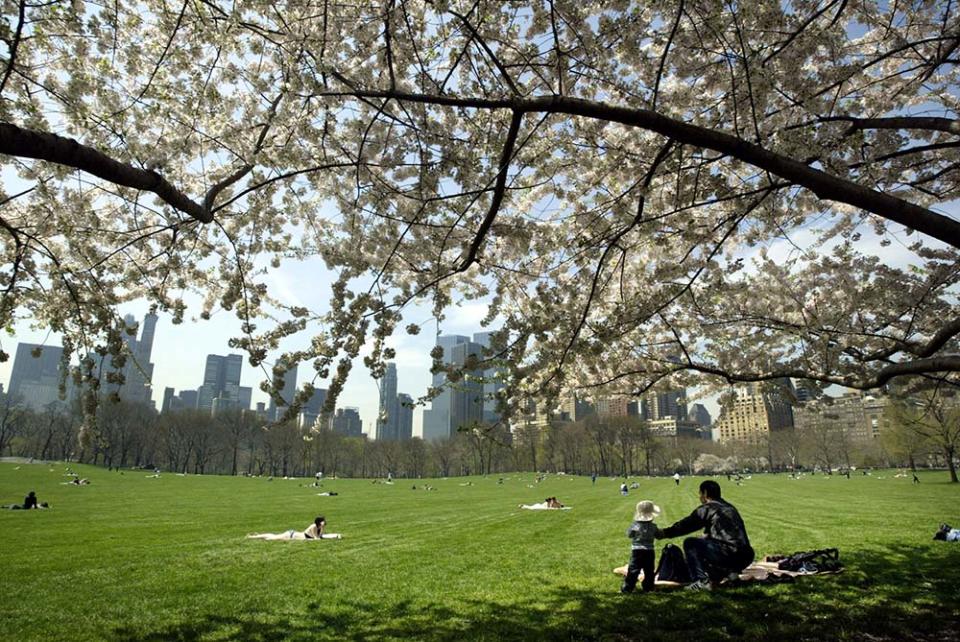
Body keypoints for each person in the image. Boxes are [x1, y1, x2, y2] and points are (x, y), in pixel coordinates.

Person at [655, 480, 754, 591]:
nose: (700, 497)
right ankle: (730, 572)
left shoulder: (708, 508)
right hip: (746, 556)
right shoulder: (729, 507)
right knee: (701, 544)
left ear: (705, 493)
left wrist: (664, 533)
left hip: (728, 553)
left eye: (700, 494)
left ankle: (700, 581)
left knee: (690, 543)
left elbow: (687, 525)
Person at [621, 500, 660, 593]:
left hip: (637, 551)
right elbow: (658, 535)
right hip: (650, 551)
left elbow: (629, 535)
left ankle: (628, 588)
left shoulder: (635, 525)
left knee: (634, 569)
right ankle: (648, 587)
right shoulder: (654, 526)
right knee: (649, 570)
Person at [247, 516, 342, 540]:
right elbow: (316, 538)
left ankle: (257, 536)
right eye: (322, 522)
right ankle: (254, 537)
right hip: (291, 535)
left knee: (273, 537)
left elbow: (320, 536)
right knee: (272, 538)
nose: (324, 523)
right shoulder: (313, 527)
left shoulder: (319, 528)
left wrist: (323, 528)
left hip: (294, 535)